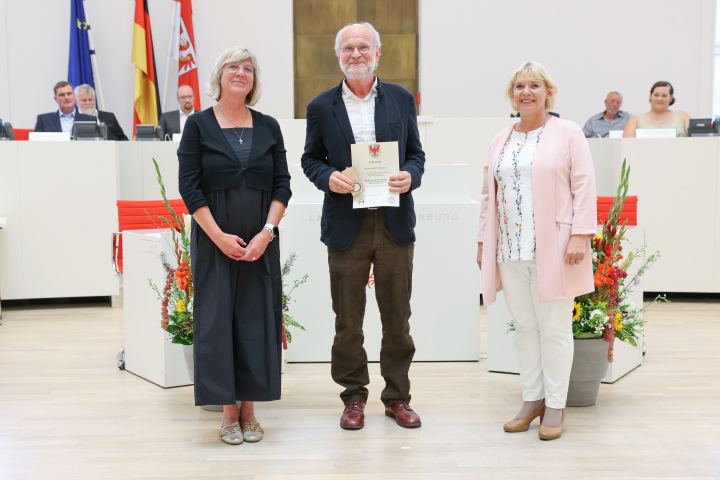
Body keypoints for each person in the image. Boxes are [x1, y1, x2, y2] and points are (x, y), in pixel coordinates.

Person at [301, 22, 425, 431]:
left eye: (363, 47)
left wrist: (410, 175)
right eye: (348, 48)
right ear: (338, 56)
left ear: (377, 53)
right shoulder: (321, 106)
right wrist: (327, 177)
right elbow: (310, 159)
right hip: (345, 223)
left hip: (393, 222)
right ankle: (353, 398)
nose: (356, 54)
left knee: (397, 318)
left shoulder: (401, 99)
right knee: (348, 321)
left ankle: (397, 397)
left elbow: (416, 156)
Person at [477, 61, 597, 441]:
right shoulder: (501, 137)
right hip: (509, 249)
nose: (526, 92)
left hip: (556, 248)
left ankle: (556, 405)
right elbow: (487, 194)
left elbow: (584, 184)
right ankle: (532, 399)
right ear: (512, 94)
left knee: (555, 329)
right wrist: (483, 240)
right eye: (519, 86)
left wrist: (581, 235)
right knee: (525, 328)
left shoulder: (568, 132)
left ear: (549, 92)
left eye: (534, 85)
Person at [178, 46, 291, 445]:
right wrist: (218, 237)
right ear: (219, 76)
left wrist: (266, 232)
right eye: (233, 67)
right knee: (218, 321)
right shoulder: (198, 126)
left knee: (257, 321)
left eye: (248, 68)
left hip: (261, 243)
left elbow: (282, 184)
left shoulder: (269, 125)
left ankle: (250, 410)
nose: (241, 73)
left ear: (254, 80)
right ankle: (227, 412)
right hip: (214, 242)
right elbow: (189, 188)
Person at [623, 81, 690, 137]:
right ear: (650, 96)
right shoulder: (635, 120)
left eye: (664, 96)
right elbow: (626, 146)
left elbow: (695, 141)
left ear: (671, 98)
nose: (659, 99)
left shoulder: (683, 116)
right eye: (656, 95)